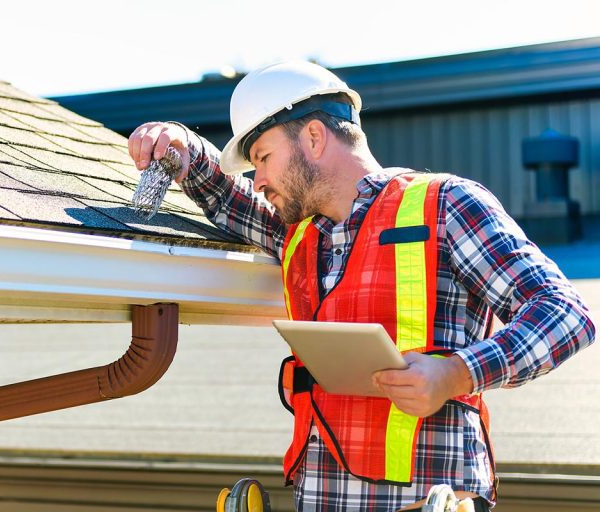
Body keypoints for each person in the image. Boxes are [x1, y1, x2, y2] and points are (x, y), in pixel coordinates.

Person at [127, 61, 595, 511]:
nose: (260, 178)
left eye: (264, 158)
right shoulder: (299, 235)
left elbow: (565, 314)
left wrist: (455, 373)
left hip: (426, 497)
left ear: (313, 136)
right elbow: (226, 195)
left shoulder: (447, 205)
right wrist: (181, 146)